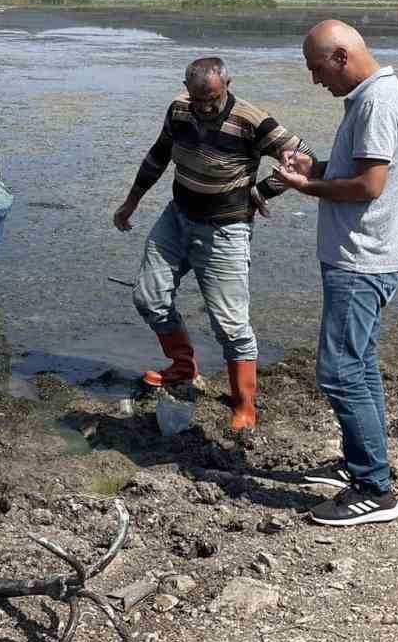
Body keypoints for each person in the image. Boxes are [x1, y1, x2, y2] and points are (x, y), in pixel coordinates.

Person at [113, 56, 314, 432]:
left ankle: (244, 405)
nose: (204, 107)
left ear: (228, 84)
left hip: (225, 230)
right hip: (178, 217)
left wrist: (263, 191)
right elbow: (158, 156)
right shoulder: (179, 110)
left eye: (212, 99)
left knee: (230, 325)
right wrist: (131, 203)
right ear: (187, 90)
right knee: (149, 297)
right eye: (198, 99)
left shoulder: (253, 121)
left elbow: (305, 161)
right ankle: (183, 366)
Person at [273, 20, 398, 527]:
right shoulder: (373, 98)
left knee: (338, 372)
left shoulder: (378, 103)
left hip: (362, 261)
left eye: (317, 69)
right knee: (361, 365)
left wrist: (302, 187)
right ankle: (363, 464)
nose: (316, 81)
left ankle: (375, 489)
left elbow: (368, 187)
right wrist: (314, 168)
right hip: (368, 255)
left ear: (340, 56)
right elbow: (353, 173)